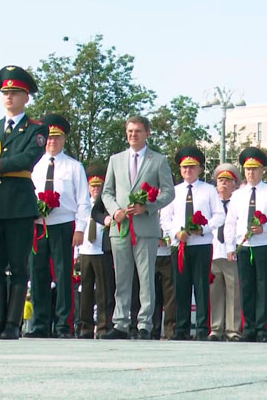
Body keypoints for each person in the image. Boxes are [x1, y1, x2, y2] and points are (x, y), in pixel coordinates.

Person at [0, 65, 48, 340]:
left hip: (18, 205)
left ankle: (13, 324)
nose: (9, 97)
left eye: (15, 92)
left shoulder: (36, 130)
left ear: (26, 97)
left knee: (18, 268)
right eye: (6, 92)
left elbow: (25, 160)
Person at [100, 116, 175, 340]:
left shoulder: (158, 160)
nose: (133, 135)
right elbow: (107, 192)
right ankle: (120, 323)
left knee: (146, 277)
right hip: (121, 227)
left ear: (147, 134)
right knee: (122, 278)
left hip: (145, 228)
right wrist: (114, 211)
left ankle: (145, 323)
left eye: (138, 131)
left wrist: (148, 206)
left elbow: (168, 192)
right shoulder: (116, 159)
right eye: (130, 131)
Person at [27, 114, 90, 338]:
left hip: (63, 224)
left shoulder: (74, 167)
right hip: (38, 225)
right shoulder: (34, 165)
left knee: (63, 275)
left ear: (64, 139)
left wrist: (81, 228)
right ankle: (40, 323)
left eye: (57, 137)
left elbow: (84, 200)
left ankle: (64, 324)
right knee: (38, 273)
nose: (52, 142)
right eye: (49, 137)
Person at [224, 147, 267, 342]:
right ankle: (248, 327)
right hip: (244, 246)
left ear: (262, 171)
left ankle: (262, 328)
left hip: (265, 244)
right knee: (246, 287)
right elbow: (230, 222)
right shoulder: (238, 195)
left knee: (264, 286)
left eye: (255, 169)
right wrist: (229, 247)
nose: (251, 173)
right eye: (247, 169)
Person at [162, 147, 225, 341]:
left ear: (199, 169)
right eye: (184, 167)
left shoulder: (208, 190)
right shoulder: (173, 191)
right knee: (180, 286)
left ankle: (201, 327)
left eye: (192, 167)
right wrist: (175, 232)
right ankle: (181, 327)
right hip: (179, 245)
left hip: (201, 244)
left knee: (201, 286)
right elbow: (165, 218)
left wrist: (203, 229)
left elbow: (219, 215)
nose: (188, 171)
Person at [76, 165, 113, 339]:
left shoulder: (106, 205)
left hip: (101, 251)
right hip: (85, 250)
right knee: (86, 291)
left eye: (99, 186)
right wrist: (75, 254)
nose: (96, 189)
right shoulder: (82, 204)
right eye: (93, 186)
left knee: (103, 292)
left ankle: (104, 326)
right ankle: (85, 326)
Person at [210, 163, 243, 342]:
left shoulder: (237, 202)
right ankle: (216, 328)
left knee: (234, 292)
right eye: (220, 180)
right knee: (214, 293)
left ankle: (232, 330)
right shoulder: (211, 201)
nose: (223, 184)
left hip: (231, 252)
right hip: (213, 252)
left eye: (227, 181)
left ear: (234, 184)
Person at [153, 216, 176, 340]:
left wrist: (167, 239)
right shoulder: (148, 199)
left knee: (170, 295)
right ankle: (153, 329)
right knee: (152, 294)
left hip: (169, 254)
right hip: (151, 253)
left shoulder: (170, 200)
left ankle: (170, 329)